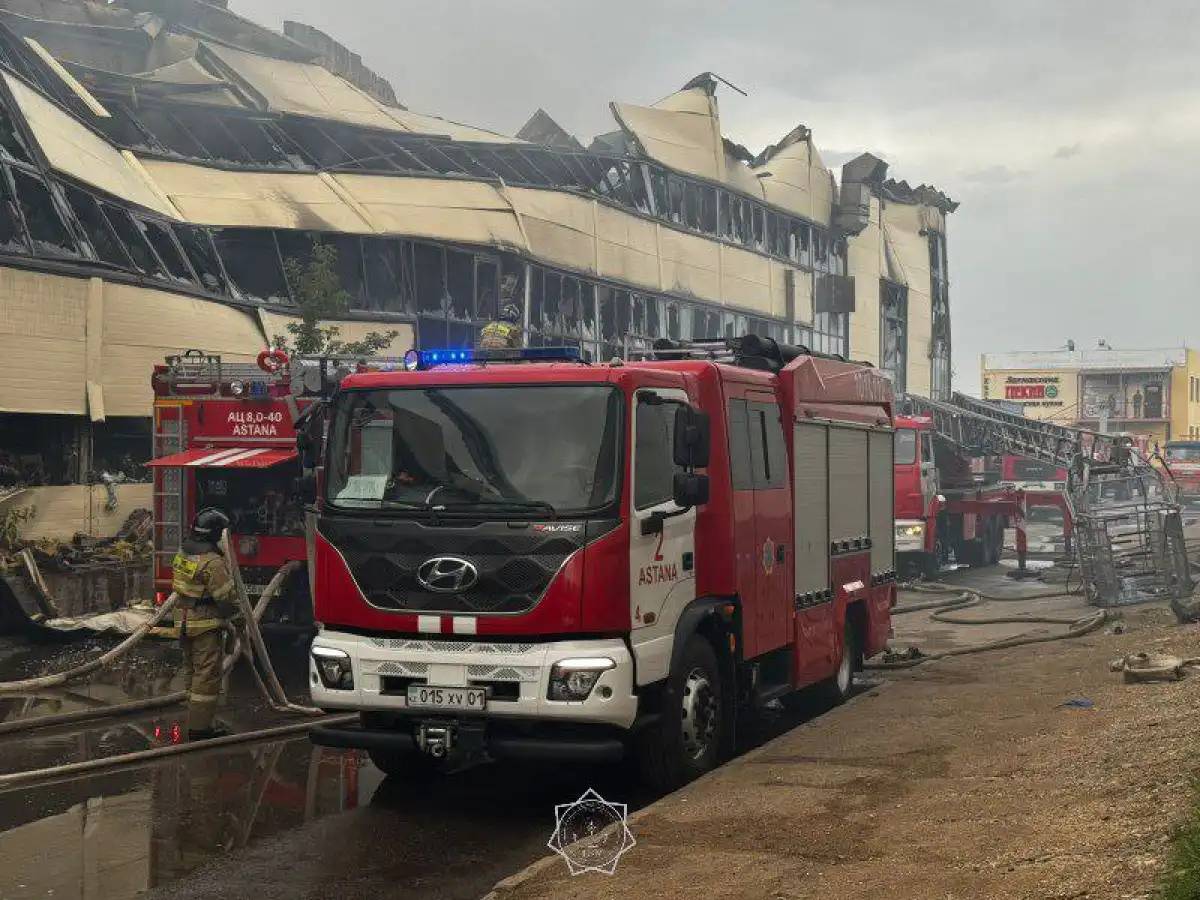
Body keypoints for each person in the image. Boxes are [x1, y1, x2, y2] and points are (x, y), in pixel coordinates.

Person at [171, 507, 238, 740]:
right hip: (205, 625)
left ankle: (194, 719)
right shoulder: (213, 562)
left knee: (192, 672)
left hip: (182, 621)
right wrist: (237, 620)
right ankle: (200, 729)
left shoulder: (183, 552)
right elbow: (226, 598)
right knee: (207, 677)